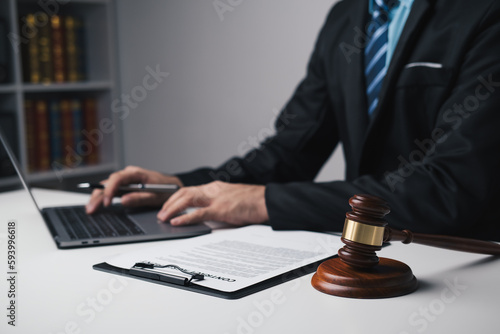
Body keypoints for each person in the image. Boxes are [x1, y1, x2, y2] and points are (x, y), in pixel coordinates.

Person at [87, 0, 500, 241]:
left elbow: (449, 189)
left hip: (464, 258)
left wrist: (262, 202)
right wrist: (183, 187)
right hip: (365, 252)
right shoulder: (346, 16)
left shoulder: (485, 14)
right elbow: (290, 152)